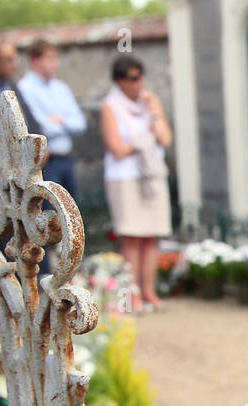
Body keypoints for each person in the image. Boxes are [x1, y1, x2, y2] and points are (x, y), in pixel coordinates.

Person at [101, 54, 173, 312]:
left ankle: (149, 290)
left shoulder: (150, 103)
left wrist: (154, 111)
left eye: (141, 77)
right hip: (125, 178)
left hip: (151, 175)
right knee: (132, 237)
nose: (139, 83)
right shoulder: (110, 106)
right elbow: (117, 149)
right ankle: (131, 294)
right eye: (133, 78)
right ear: (120, 81)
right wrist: (142, 144)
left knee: (151, 237)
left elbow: (165, 139)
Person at [17, 39, 88, 200]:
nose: (55, 63)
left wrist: (61, 120)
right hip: (46, 162)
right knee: (50, 217)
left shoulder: (61, 88)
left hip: (67, 158)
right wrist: (63, 124)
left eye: (56, 58)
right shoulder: (25, 88)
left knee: (71, 213)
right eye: (49, 58)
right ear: (35, 60)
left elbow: (81, 125)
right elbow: (41, 127)